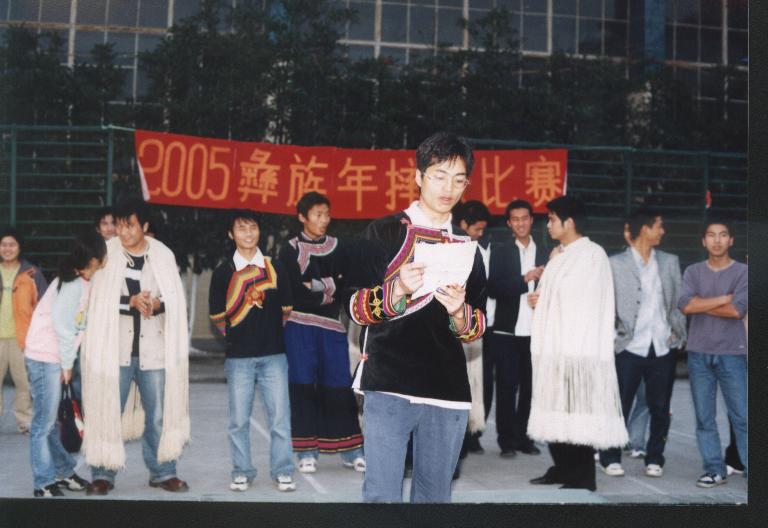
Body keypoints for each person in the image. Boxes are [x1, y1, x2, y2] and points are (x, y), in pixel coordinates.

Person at [344, 132, 487, 503]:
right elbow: (354, 307)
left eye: (458, 179)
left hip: (447, 391)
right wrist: (397, 290)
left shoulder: (469, 249)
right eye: (439, 176)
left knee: (434, 499)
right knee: (382, 496)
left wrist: (459, 312)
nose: (448, 188)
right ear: (419, 176)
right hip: (389, 382)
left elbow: (475, 329)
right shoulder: (383, 232)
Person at [81, 200, 190, 496]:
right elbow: (96, 300)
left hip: (154, 351)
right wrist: (129, 302)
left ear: (144, 226)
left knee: (158, 415)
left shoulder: (163, 255)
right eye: (119, 225)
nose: (123, 231)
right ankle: (102, 474)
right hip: (114, 351)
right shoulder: (106, 253)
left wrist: (156, 304)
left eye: (129, 225)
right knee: (107, 410)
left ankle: (163, 472)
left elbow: (175, 299)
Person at [527, 196, 627, 491]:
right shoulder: (561, 254)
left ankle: (582, 478)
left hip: (577, 350)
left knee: (577, 413)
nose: (548, 225)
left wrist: (545, 299)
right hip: (555, 348)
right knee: (555, 410)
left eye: (552, 219)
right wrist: (538, 299)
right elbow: (549, 293)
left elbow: (579, 301)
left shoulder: (591, 255)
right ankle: (562, 468)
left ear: (568, 222)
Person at [209, 209, 297, 492]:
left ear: (260, 231)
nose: (248, 233)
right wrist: (240, 339)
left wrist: (267, 335)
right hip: (238, 360)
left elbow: (286, 309)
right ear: (231, 234)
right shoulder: (223, 272)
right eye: (241, 228)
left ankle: (283, 470)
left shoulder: (275, 267)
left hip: (274, 356)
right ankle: (242, 471)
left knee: (280, 418)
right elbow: (217, 317)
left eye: (252, 227)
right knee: (238, 420)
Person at [277, 192, 365, 474]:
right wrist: (328, 286)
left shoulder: (339, 248)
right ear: (302, 217)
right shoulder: (288, 250)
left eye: (327, 214)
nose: (324, 219)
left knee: (338, 385)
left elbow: (345, 285)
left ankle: (351, 450)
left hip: (331, 326)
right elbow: (292, 290)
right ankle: (306, 451)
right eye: (317, 214)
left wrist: (314, 285)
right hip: (298, 326)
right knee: (302, 385)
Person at [597, 209, 686, 478]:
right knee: (619, 405)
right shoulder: (615, 264)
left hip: (662, 346)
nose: (663, 231)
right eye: (659, 226)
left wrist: (678, 333)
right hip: (629, 347)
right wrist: (612, 338)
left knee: (660, 407)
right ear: (644, 229)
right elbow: (605, 304)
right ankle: (610, 456)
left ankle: (655, 457)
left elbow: (678, 302)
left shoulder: (669, 262)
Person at [24, 231, 106, 497]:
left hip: (55, 356)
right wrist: (67, 365)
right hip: (45, 356)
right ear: (95, 259)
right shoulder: (71, 284)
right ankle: (43, 482)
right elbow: (63, 327)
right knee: (43, 424)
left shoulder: (84, 281)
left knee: (48, 420)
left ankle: (63, 471)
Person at [678, 218, 747, 488]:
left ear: (731, 240)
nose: (717, 240)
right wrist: (723, 298)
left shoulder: (743, 272)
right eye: (711, 235)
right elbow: (685, 306)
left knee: (742, 417)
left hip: (732, 353)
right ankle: (714, 470)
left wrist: (701, 304)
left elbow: (737, 310)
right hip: (698, 354)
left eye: (723, 235)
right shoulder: (693, 272)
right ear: (703, 241)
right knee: (705, 418)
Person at [486, 199, 546, 458]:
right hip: (505, 332)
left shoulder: (546, 251)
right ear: (509, 223)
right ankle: (506, 441)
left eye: (525, 218)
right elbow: (493, 288)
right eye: (515, 219)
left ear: (532, 220)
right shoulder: (500, 251)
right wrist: (525, 279)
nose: (521, 223)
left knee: (530, 388)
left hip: (535, 332)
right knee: (507, 387)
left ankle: (525, 438)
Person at [453, 200, 492, 469]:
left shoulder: (477, 251)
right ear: (463, 224)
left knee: (472, 385)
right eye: (476, 229)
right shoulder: (447, 248)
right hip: (446, 332)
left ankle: (468, 437)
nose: (479, 234)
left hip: (470, 329)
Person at [0, 228, 48, 435]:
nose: (7, 249)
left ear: (19, 248)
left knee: (24, 383)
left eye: (12, 244)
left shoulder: (31, 273)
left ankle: (25, 421)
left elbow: (44, 304)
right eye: (3, 244)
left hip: (22, 338)